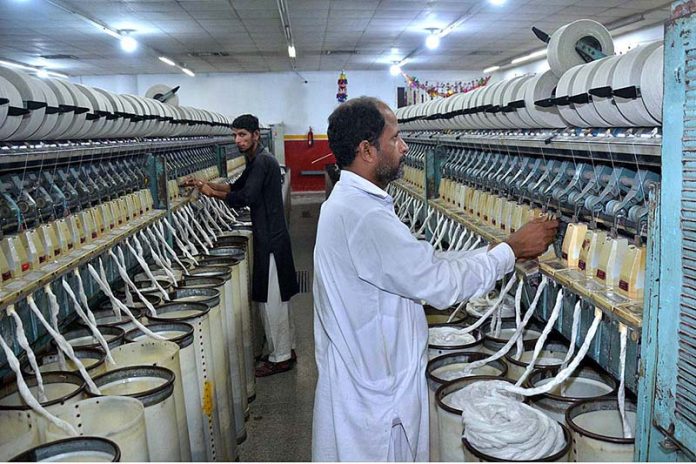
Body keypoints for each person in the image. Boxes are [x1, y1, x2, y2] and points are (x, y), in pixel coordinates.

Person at [312, 97, 559, 461]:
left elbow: (420, 262)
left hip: (371, 378)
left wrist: (493, 250)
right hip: (375, 394)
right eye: (395, 138)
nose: (404, 147)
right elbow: (437, 283)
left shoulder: (353, 205)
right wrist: (511, 251)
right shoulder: (364, 217)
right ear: (367, 150)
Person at [186, 114, 300, 377]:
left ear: (255, 135)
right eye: (235, 135)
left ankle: (280, 357)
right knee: (276, 299)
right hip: (270, 236)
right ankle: (285, 349)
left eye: (243, 135)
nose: (237, 140)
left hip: (271, 239)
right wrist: (206, 184)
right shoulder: (258, 159)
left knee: (272, 302)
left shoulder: (261, 162)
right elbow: (236, 186)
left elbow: (244, 196)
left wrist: (211, 193)